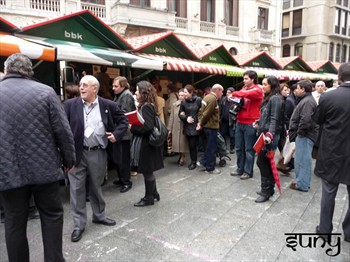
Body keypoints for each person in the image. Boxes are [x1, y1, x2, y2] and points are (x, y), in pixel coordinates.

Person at [0, 53, 76, 262]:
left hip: (8, 170)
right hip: (45, 169)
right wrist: (69, 160)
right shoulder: (46, 92)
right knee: (52, 216)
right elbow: (62, 130)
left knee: (14, 222)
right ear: (30, 71)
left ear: (7, 70)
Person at [64, 75, 128, 242]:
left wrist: (116, 134)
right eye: (80, 85)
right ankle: (78, 224)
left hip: (98, 152)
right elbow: (61, 127)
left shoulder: (108, 105)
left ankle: (99, 216)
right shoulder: (70, 105)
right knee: (76, 189)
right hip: (77, 153)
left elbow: (124, 121)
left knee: (96, 186)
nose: (82, 88)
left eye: (85, 85)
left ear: (95, 88)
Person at [313, 62, 350, 243]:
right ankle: (349, 232)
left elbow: (318, 119)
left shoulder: (329, 97)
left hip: (332, 152)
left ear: (339, 77)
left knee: (328, 192)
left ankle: (325, 230)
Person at [130, 80, 164, 207]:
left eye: (137, 90)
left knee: (147, 171)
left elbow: (148, 127)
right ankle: (154, 193)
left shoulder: (146, 107)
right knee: (148, 171)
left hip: (146, 145)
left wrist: (131, 127)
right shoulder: (148, 105)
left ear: (143, 92)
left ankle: (148, 198)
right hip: (147, 144)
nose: (135, 92)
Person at [254, 76, 284, 203]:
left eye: (265, 84)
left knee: (262, 162)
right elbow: (267, 116)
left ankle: (266, 191)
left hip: (269, 136)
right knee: (264, 162)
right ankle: (268, 189)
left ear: (272, 85)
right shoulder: (270, 98)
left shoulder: (276, 98)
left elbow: (274, 118)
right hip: (265, 134)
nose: (262, 86)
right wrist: (258, 122)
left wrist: (270, 135)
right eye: (262, 84)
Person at [230, 70, 263, 180]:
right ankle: (240, 169)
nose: (244, 81)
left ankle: (248, 171)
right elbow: (241, 95)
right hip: (240, 121)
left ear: (252, 79)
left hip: (251, 123)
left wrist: (233, 94)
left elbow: (244, 94)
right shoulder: (244, 88)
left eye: (246, 79)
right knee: (239, 148)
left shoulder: (258, 89)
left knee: (249, 149)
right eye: (243, 78)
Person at [288, 80, 318, 192]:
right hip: (305, 134)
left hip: (305, 135)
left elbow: (306, 120)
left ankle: (302, 184)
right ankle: (303, 182)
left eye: (298, 88)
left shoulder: (308, 101)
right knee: (302, 160)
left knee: (303, 160)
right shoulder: (307, 100)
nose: (296, 90)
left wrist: (299, 132)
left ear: (303, 89)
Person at [111, 76, 136, 193]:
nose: (113, 88)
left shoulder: (126, 96)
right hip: (120, 132)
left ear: (123, 86)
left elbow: (123, 114)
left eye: (116, 86)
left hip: (124, 133)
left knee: (123, 159)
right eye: (113, 86)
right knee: (119, 157)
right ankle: (122, 179)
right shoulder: (121, 95)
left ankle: (126, 181)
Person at [197, 84, 224, 174]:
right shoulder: (213, 99)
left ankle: (204, 162)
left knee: (208, 147)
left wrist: (200, 122)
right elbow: (207, 114)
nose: (222, 93)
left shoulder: (206, 97)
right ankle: (210, 168)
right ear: (217, 90)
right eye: (222, 91)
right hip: (211, 127)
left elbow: (201, 112)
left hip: (206, 127)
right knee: (212, 148)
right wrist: (200, 123)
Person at [179, 84, 202, 170]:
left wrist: (200, 122)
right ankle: (193, 161)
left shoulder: (198, 100)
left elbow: (202, 111)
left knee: (199, 144)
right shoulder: (183, 102)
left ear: (191, 92)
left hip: (198, 125)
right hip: (189, 126)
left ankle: (201, 160)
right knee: (191, 145)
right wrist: (186, 118)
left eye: (185, 92)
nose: (184, 94)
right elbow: (180, 114)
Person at [167, 88, 189, 166]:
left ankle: (182, 157)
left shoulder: (188, 104)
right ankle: (180, 155)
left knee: (182, 143)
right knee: (177, 143)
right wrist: (170, 128)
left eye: (182, 95)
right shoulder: (175, 105)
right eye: (179, 95)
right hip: (176, 127)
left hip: (184, 127)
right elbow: (172, 117)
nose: (180, 97)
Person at [219, 87, 236, 154]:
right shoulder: (223, 100)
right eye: (227, 92)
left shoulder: (235, 100)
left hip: (231, 121)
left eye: (229, 92)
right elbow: (220, 108)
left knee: (232, 135)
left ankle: (232, 148)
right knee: (222, 134)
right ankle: (224, 147)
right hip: (224, 120)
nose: (227, 94)